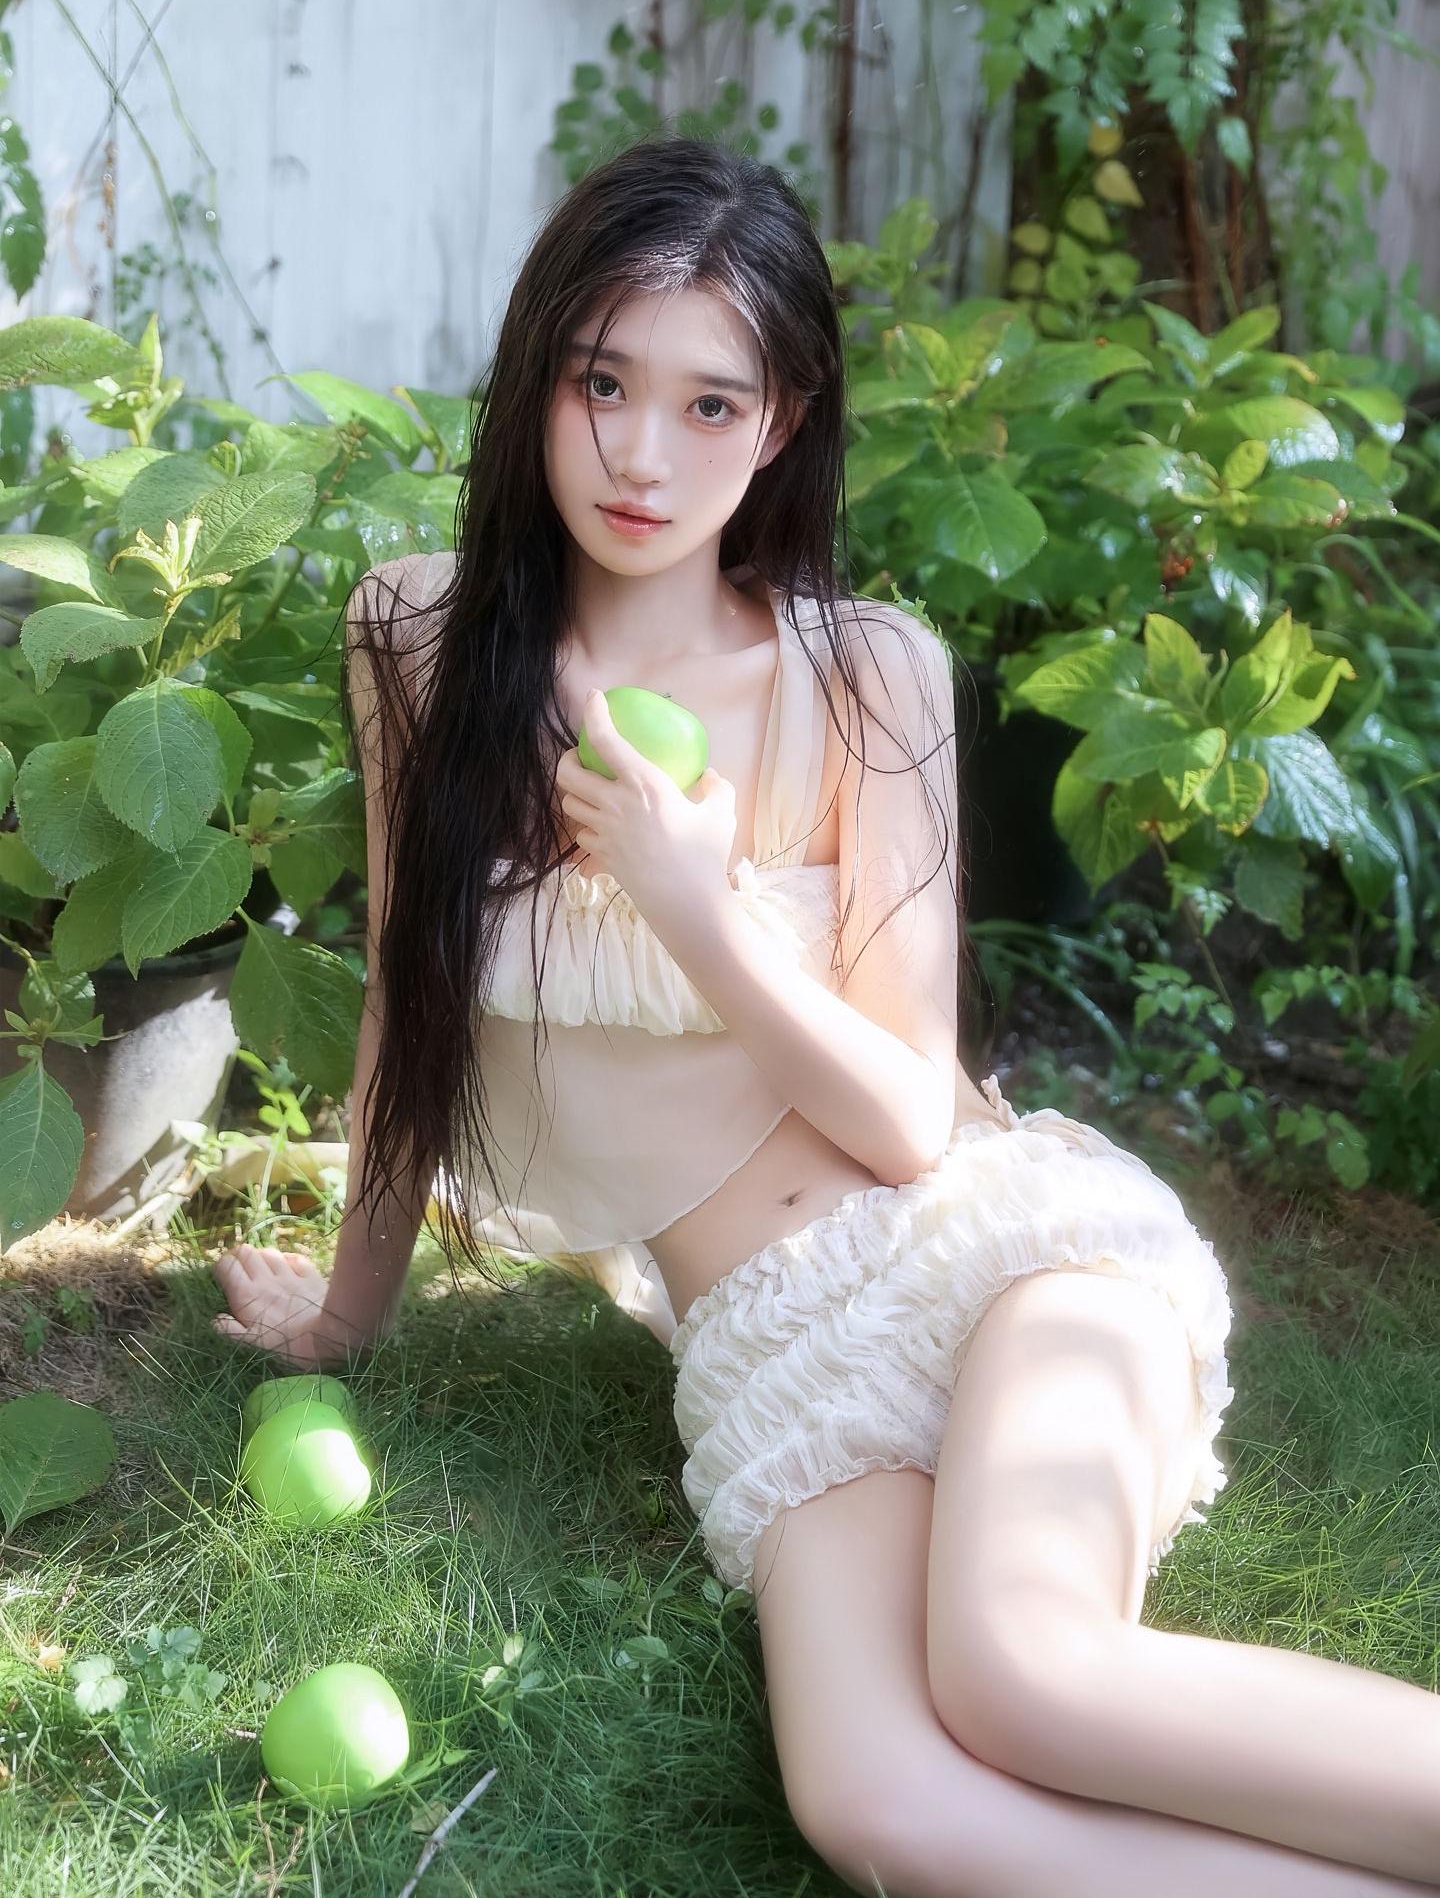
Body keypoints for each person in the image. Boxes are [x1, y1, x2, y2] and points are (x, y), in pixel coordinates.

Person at [212, 133, 1440, 1896]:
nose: (642, 454)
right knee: (878, 1805)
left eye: (710, 404)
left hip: (1001, 1258)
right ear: (538, 374)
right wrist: (348, 1309)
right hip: (776, 1350)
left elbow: (911, 1120)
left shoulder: (867, 673)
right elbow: (410, 994)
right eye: (602, 382)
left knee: (1024, 1672)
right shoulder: (418, 637)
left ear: (780, 421)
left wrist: (696, 903)